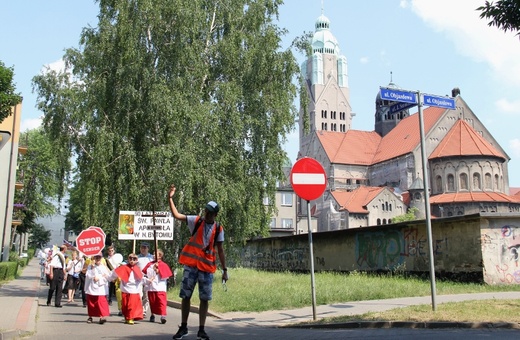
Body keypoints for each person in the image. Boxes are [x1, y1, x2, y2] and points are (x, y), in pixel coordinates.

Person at [168, 184, 228, 340]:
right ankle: (184, 327)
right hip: (191, 267)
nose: (206, 213)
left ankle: (201, 329)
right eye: (206, 210)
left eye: (209, 212)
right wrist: (170, 198)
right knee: (185, 296)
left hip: (206, 269)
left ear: (215, 214)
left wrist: (225, 270)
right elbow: (177, 215)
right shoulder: (196, 221)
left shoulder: (219, 229)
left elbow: (220, 250)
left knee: (204, 299)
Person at [109, 253, 144, 325]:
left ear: (136, 260)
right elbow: (114, 273)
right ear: (128, 259)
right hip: (125, 289)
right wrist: (108, 278)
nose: (132, 260)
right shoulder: (123, 267)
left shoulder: (137, 269)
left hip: (134, 289)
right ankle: (127, 317)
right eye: (130, 259)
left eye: (134, 259)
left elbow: (141, 278)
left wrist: (148, 281)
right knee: (125, 305)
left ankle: (131, 317)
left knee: (132, 305)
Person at [142, 249, 173, 324]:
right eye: (153, 254)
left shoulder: (163, 265)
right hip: (151, 286)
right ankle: (152, 315)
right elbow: (144, 273)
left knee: (161, 302)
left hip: (160, 287)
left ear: (160, 256)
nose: (153, 255)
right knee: (152, 301)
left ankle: (163, 316)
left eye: (155, 254)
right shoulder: (149, 264)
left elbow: (166, 276)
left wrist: (159, 271)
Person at [84, 253, 111, 324]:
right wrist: (93, 269)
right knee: (91, 303)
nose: (98, 259)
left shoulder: (103, 267)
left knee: (101, 302)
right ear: (94, 258)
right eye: (96, 257)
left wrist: (99, 277)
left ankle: (102, 317)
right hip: (91, 287)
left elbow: (107, 276)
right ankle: (90, 316)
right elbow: (88, 275)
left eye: (99, 257)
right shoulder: (90, 266)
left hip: (101, 288)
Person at [137, 242, 153, 318]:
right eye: (142, 248)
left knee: (146, 296)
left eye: (145, 248)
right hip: (139, 278)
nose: (143, 249)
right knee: (139, 294)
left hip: (148, 278)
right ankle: (138, 309)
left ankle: (144, 311)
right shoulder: (137, 257)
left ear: (148, 249)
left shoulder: (151, 258)